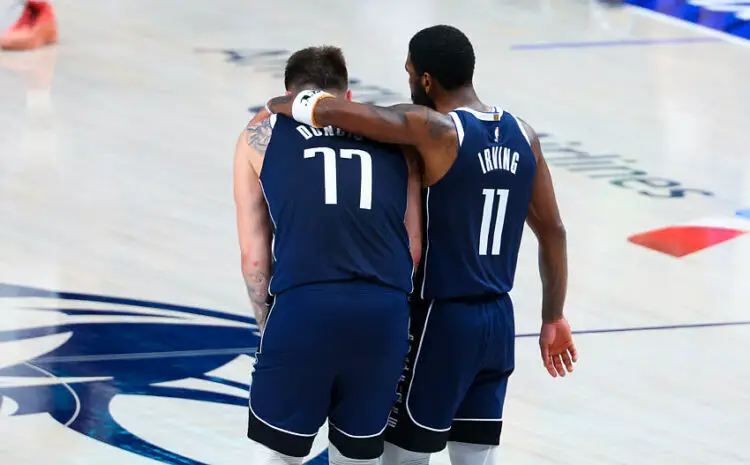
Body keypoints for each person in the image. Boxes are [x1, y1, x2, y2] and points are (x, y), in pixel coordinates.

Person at [264, 25, 577, 465]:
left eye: (411, 74)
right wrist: (553, 316)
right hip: (497, 323)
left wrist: (286, 103)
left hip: (440, 319)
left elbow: (343, 114)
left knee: (401, 457)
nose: (409, 83)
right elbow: (554, 231)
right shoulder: (524, 135)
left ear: (425, 80)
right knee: (476, 456)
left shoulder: (437, 129)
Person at [233, 46, 422, 465]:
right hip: (383, 311)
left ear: (290, 96)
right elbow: (414, 246)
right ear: (348, 97)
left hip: (305, 308)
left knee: (283, 455)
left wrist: (268, 324)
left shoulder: (259, 134)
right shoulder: (394, 136)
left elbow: (254, 258)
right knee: (357, 456)